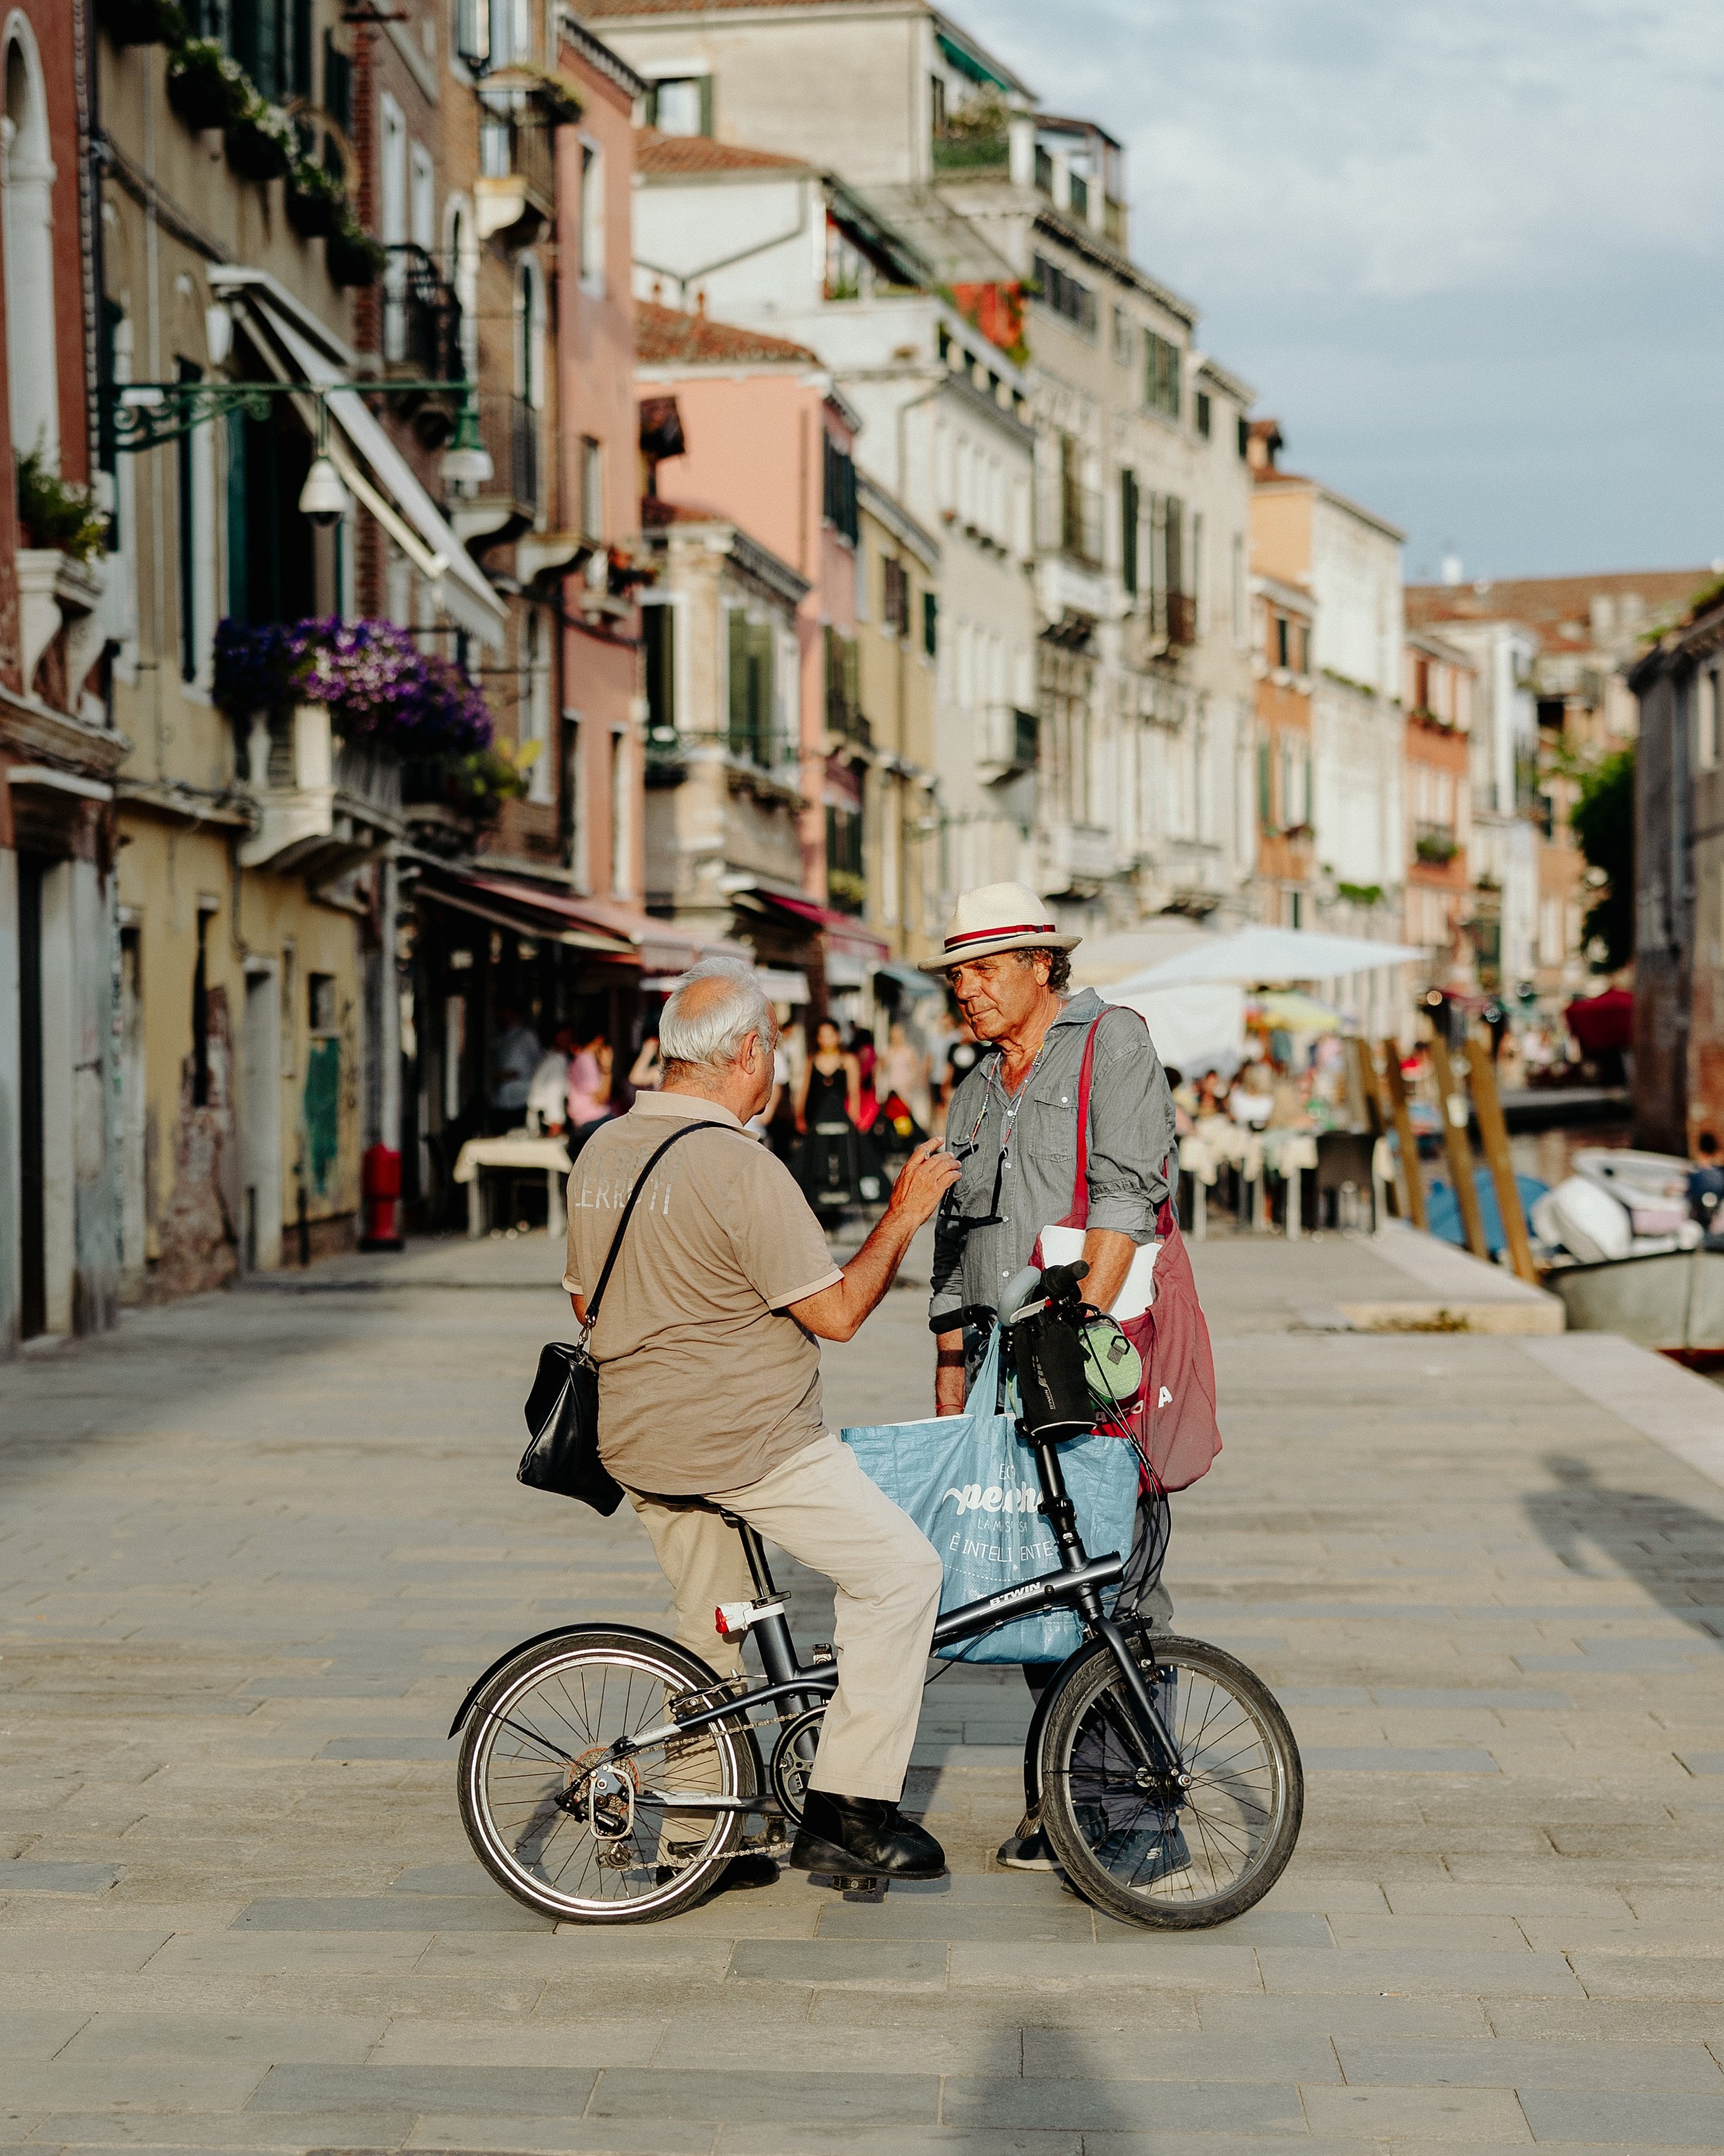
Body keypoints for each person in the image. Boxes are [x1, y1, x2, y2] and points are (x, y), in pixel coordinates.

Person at [563, 957, 961, 1884]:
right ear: (747, 1051)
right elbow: (838, 1314)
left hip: (637, 1438)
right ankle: (848, 1806)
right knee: (902, 1572)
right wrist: (903, 1216)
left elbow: (586, 1300)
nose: (776, 1067)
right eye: (773, 1048)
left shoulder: (600, 1151)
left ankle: (707, 1832)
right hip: (747, 1442)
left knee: (711, 1627)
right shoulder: (742, 1164)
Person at [923, 881, 1177, 1875]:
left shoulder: (1112, 1040)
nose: (967, 990)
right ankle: (1062, 1801)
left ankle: (1137, 1817)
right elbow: (956, 1249)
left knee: (1108, 1581)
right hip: (996, 1367)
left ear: (1041, 965)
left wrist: (1072, 1351)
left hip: (1086, 1362)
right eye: (957, 975)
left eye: (984, 969)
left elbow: (1128, 1197)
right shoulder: (976, 1086)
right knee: (1029, 1583)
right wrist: (951, 1382)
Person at [793, 1018, 869, 1212]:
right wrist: (799, 1115)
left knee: (838, 1157)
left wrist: (853, 1119)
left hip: (839, 1118)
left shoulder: (848, 1060)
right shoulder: (812, 1059)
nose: (826, 1040)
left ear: (837, 1036)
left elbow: (854, 1092)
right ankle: (814, 1199)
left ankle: (838, 1200)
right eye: (822, 1036)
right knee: (816, 1157)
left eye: (830, 1035)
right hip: (815, 1116)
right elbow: (804, 1089)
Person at [491, 1006, 542, 1132]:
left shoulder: (527, 1036)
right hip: (503, 1098)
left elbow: (539, 1063)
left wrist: (515, 1075)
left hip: (522, 1097)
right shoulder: (501, 1038)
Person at [565, 1028, 614, 1153]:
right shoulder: (586, 1061)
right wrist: (607, 1067)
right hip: (593, 1120)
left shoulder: (580, 1059)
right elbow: (601, 1097)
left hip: (586, 1121)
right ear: (599, 1039)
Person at [526, 1026, 576, 1136]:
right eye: (564, 1036)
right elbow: (554, 1092)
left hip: (541, 1118)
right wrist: (556, 1123)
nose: (568, 1039)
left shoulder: (554, 1058)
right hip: (547, 1122)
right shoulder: (555, 1061)